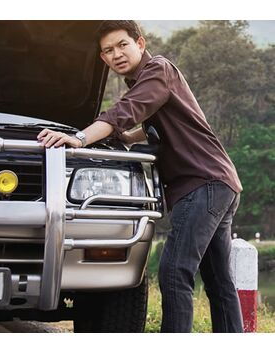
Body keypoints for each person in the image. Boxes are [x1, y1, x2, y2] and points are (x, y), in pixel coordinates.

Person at [37, 20, 244, 333]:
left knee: (175, 272)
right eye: (108, 50)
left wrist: (79, 138)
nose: (117, 53)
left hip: (203, 182)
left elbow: (127, 110)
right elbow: (158, 124)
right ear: (103, 59)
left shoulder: (158, 70)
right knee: (218, 283)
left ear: (140, 43)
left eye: (123, 44)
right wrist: (128, 138)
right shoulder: (145, 81)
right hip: (220, 181)